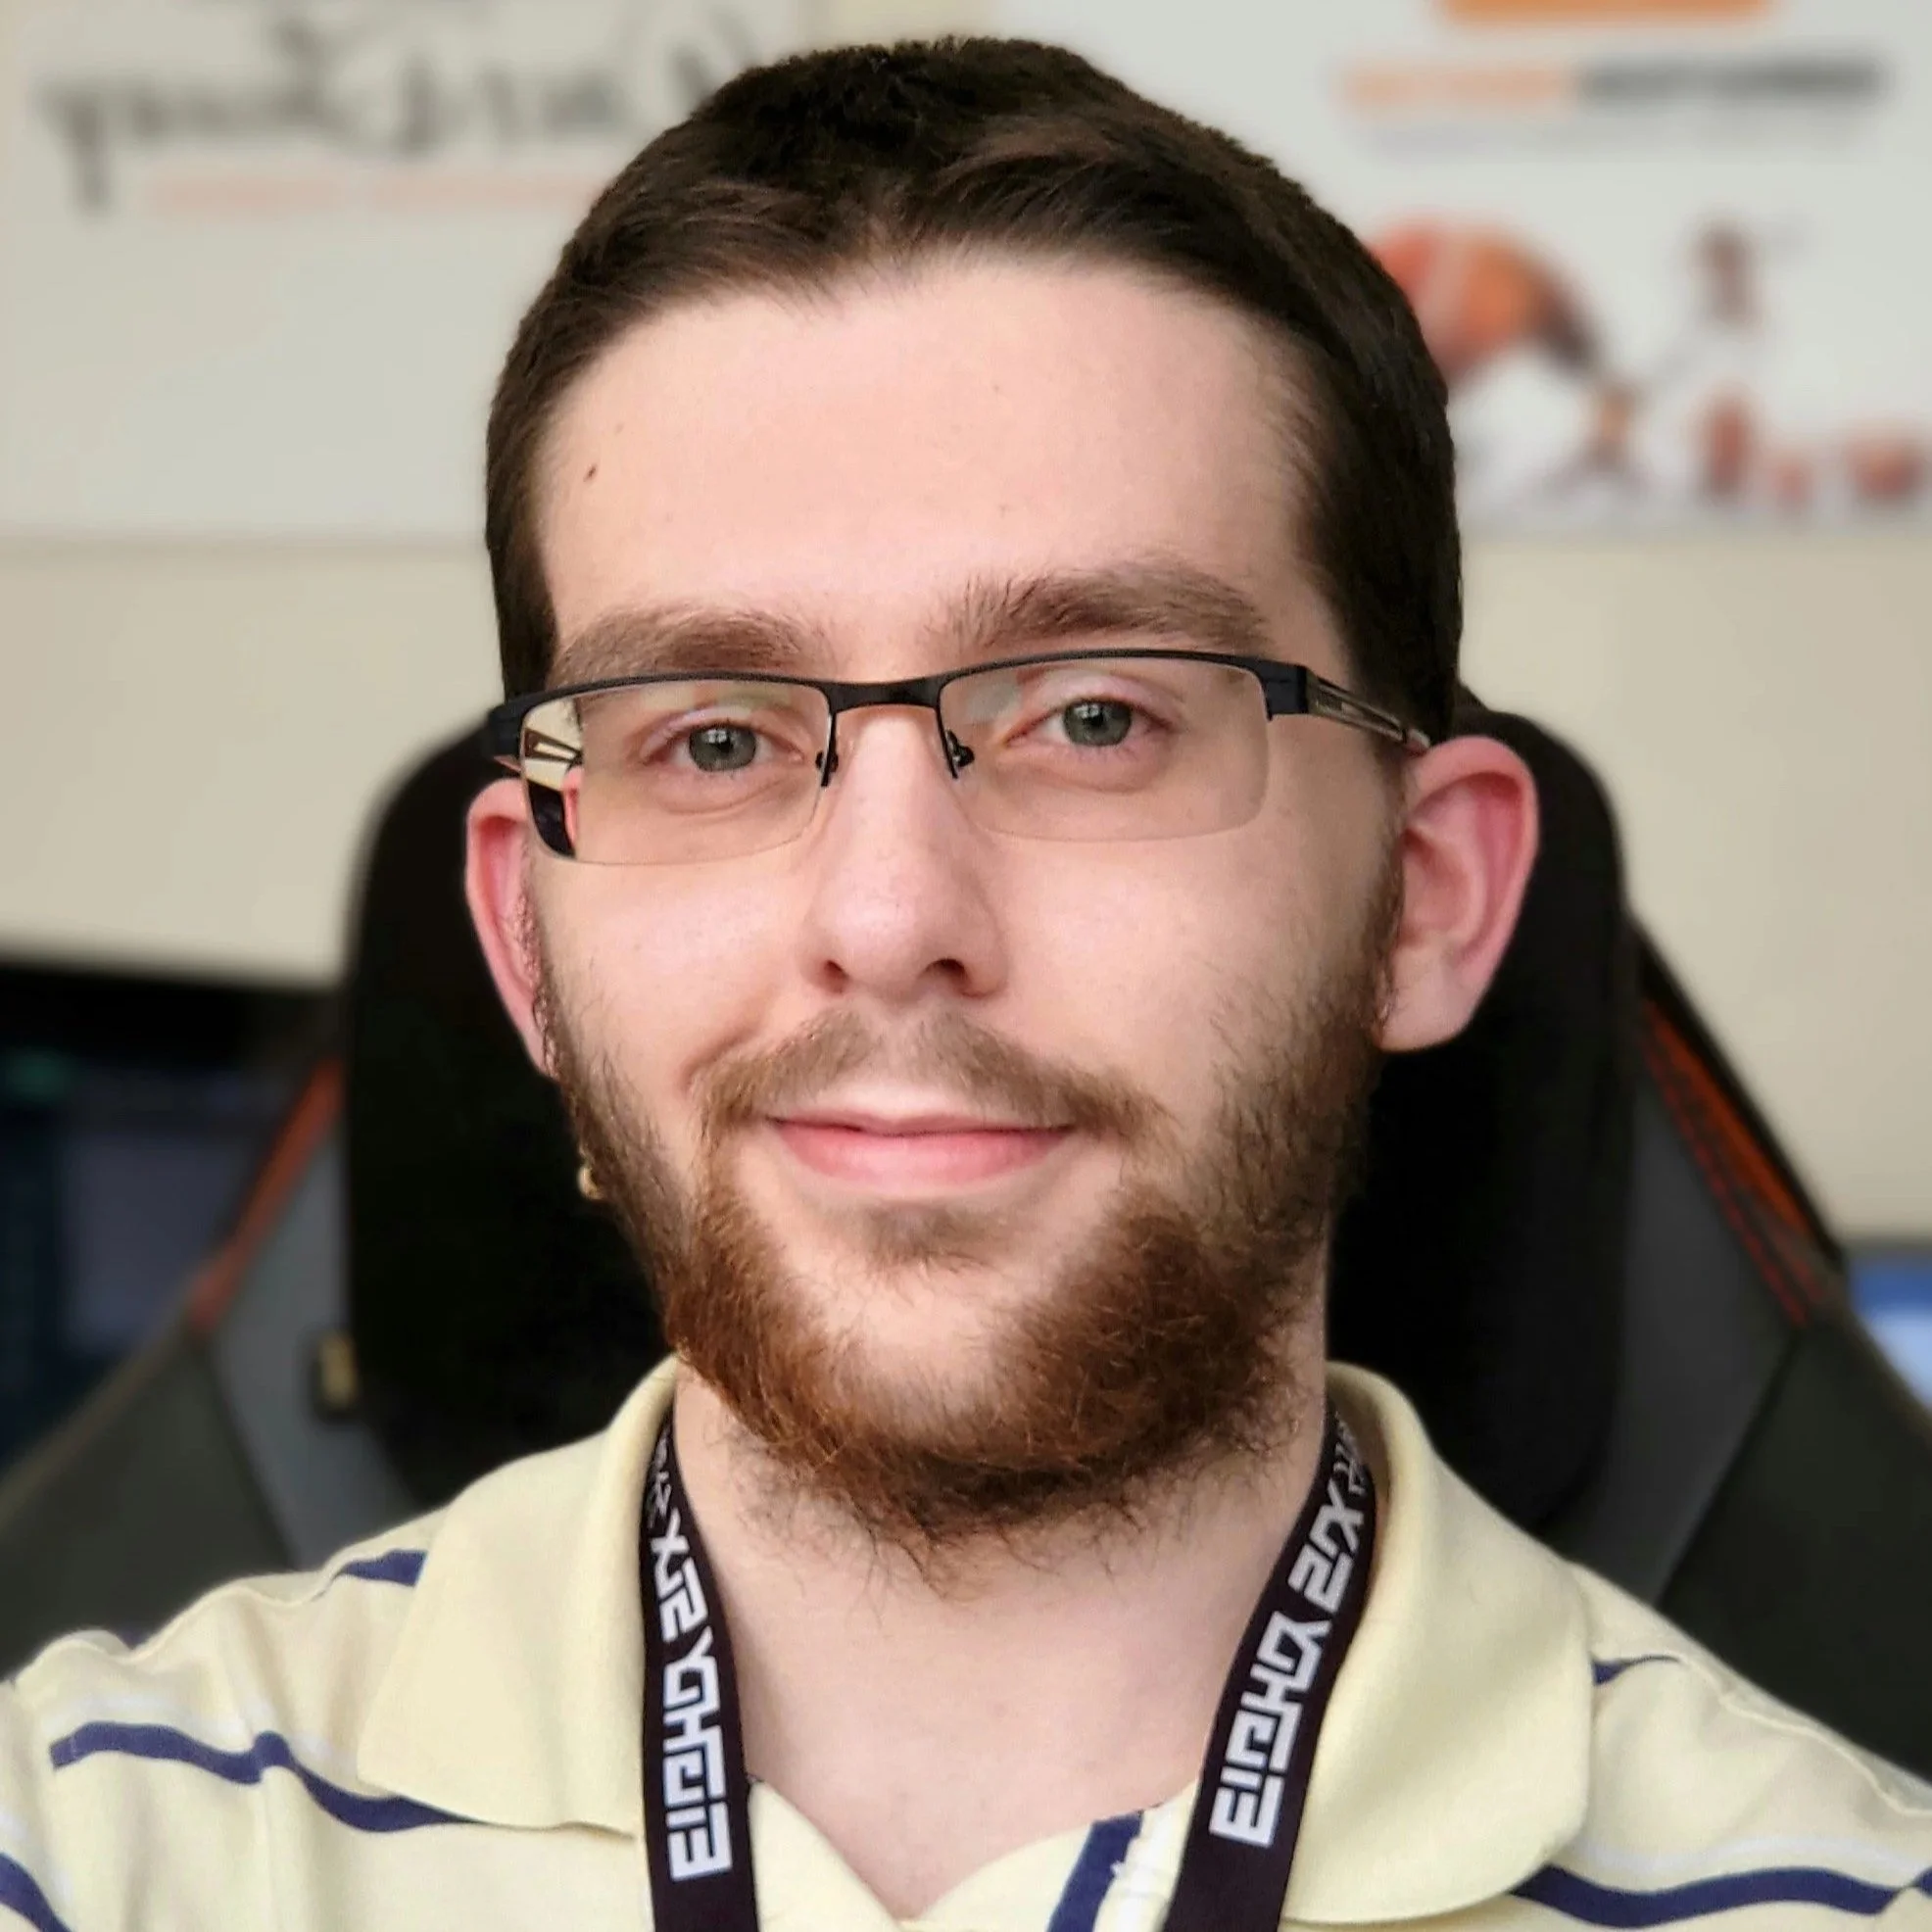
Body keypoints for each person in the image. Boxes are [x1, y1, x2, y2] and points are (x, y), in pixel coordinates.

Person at [6, 38, 1929, 1932]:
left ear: (1424, 896)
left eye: (1097, 714)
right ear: (523, 936)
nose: (886, 909)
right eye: (709, 738)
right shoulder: (100, 1850)